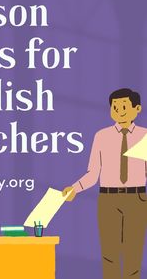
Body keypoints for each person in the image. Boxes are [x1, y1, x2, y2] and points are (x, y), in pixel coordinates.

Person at [62, 88, 147, 279]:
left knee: (133, 253)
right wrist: (75, 188)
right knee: (109, 253)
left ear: (137, 108)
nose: (119, 111)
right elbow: (93, 173)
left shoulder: (145, 136)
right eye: (115, 107)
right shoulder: (102, 136)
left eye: (124, 106)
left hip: (137, 199)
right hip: (108, 199)